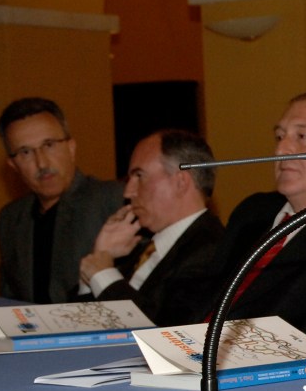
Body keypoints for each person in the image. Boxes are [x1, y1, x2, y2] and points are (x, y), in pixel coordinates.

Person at [202, 93, 306, 329]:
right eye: (279, 136)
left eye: (302, 136)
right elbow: (205, 297)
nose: (281, 149)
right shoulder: (251, 212)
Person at [78, 129, 224, 326]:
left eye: (139, 176)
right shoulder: (138, 246)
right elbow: (81, 326)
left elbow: (170, 331)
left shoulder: (212, 250)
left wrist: (103, 275)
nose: (128, 192)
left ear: (181, 182)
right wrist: (99, 256)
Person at [0, 97, 124, 303]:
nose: (42, 163)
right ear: (13, 165)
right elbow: (9, 301)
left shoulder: (111, 200)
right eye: (25, 152)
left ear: (71, 148)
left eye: (49, 145)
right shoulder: (10, 219)